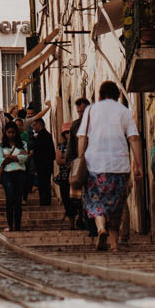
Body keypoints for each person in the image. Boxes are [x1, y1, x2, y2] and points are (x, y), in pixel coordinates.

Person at [72, 82, 144, 252]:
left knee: (96, 200)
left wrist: (80, 157)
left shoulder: (90, 110)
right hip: (119, 166)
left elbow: (82, 137)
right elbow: (134, 138)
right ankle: (114, 245)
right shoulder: (124, 111)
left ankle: (100, 229)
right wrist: (138, 165)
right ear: (117, 95)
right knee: (116, 206)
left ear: (99, 95)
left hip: (94, 164)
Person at [0, 123, 32, 231]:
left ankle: (18, 226)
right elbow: (1, 160)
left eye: (13, 132)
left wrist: (10, 157)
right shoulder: (1, 146)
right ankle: (10, 225)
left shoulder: (23, 144)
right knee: (10, 198)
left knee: (18, 200)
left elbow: (24, 158)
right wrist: (17, 157)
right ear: (5, 133)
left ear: (16, 133)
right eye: (9, 132)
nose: (11, 134)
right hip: (7, 174)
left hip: (20, 173)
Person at [62, 97, 90, 231]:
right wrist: (70, 167)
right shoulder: (75, 126)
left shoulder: (96, 123)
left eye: (83, 111)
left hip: (96, 165)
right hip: (80, 166)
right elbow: (71, 149)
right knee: (78, 197)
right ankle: (81, 220)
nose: (81, 114)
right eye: (79, 112)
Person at [29, 117, 56, 207]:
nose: (33, 127)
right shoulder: (46, 135)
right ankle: (46, 202)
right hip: (47, 164)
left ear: (39, 125)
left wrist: (34, 153)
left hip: (42, 165)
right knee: (46, 184)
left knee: (43, 185)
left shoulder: (42, 136)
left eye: (34, 125)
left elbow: (40, 151)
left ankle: (44, 202)